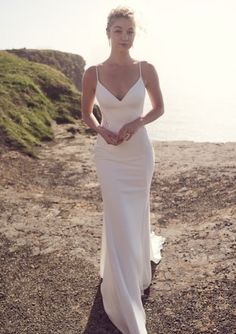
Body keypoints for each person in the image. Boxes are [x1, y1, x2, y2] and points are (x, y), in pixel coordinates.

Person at [82, 6, 165, 334]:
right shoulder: (93, 72)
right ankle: (122, 290)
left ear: (135, 34)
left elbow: (159, 108)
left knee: (135, 213)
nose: (125, 37)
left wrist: (136, 122)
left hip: (139, 155)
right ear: (108, 33)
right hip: (109, 156)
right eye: (118, 31)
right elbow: (87, 114)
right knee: (117, 215)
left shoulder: (146, 69)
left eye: (130, 31)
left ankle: (135, 271)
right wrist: (103, 130)